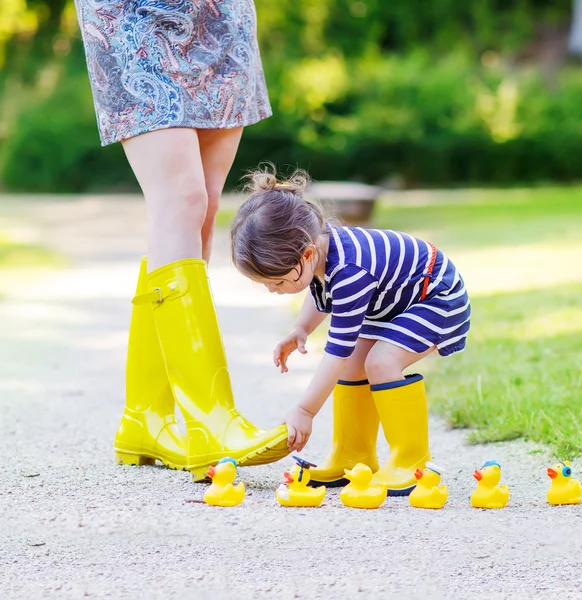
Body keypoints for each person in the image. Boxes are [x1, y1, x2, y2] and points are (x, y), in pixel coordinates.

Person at [74, 0, 289, 481]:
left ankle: (146, 416)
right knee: (182, 199)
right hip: (133, 15)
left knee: (204, 209)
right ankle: (212, 419)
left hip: (219, 17)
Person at [231, 170, 471, 495]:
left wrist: (305, 411)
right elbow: (319, 292)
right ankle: (353, 456)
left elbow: (336, 352)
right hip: (395, 303)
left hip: (436, 297)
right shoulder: (320, 251)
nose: (274, 290)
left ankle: (411, 462)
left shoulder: (350, 271)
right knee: (358, 362)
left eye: (278, 282)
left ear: (306, 254)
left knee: (380, 363)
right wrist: (301, 329)